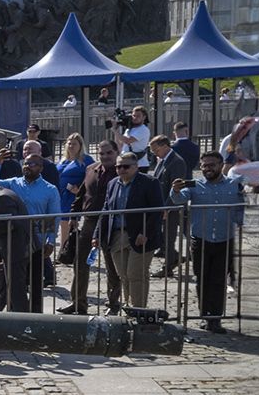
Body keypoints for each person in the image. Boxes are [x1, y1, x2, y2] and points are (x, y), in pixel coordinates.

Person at [172, 152, 244, 332]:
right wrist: (175, 189)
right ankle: (205, 315)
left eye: (211, 165)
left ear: (221, 165)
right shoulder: (195, 185)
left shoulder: (233, 185)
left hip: (224, 239)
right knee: (202, 279)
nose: (207, 169)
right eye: (204, 165)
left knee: (219, 280)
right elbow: (178, 199)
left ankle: (216, 318)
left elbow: (242, 209)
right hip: (200, 240)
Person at [97, 152, 166, 311]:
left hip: (140, 236)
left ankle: (139, 310)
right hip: (116, 235)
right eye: (118, 166)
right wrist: (97, 233)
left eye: (125, 166)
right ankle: (129, 308)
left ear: (136, 167)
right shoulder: (113, 183)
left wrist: (145, 233)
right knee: (124, 275)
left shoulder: (150, 182)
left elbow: (157, 211)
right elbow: (106, 209)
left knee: (136, 274)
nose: (121, 169)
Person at [62, 140, 121, 314]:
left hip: (112, 223)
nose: (105, 157)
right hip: (89, 221)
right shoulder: (91, 169)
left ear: (116, 152)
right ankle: (78, 303)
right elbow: (81, 194)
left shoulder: (123, 170)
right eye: (101, 153)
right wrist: (74, 215)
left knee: (112, 267)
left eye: (109, 153)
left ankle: (113, 304)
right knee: (80, 263)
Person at [0, 154, 62, 311]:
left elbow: (53, 217)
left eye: (32, 164)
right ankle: (15, 315)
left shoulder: (50, 189)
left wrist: (51, 240)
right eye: (25, 163)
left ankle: (36, 317)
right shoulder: (12, 183)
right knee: (15, 283)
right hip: (16, 241)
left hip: (37, 242)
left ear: (41, 168)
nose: (27, 166)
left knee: (35, 283)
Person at [147, 134, 190, 277]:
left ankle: (168, 267)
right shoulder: (163, 160)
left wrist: (167, 207)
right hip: (163, 204)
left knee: (168, 237)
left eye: (156, 150)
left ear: (165, 146)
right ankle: (174, 258)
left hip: (172, 206)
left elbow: (175, 187)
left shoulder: (176, 162)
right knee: (165, 237)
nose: (154, 153)